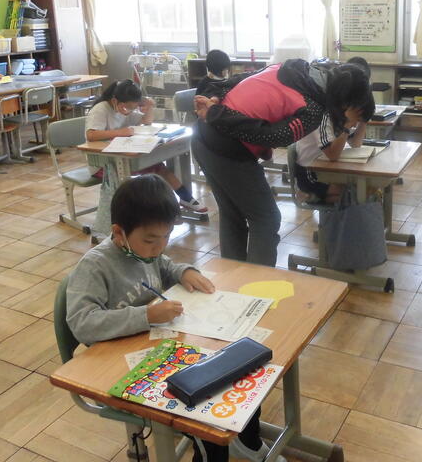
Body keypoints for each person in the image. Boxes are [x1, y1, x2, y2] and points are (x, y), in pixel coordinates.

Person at [65, 175, 279, 462]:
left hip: (158, 349)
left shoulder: (144, 251)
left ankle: (248, 441)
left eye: (166, 237)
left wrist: (183, 272)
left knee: (236, 371)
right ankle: (214, 447)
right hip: (120, 367)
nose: (159, 247)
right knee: (205, 415)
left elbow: (164, 265)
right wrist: (146, 315)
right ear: (118, 232)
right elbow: (82, 324)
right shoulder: (95, 266)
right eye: (151, 239)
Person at [192, 50, 374, 266]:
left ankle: (234, 280)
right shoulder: (313, 109)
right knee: (267, 219)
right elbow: (269, 135)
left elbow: (238, 80)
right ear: (346, 102)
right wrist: (217, 112)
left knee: (233, 215)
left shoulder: (294, 66)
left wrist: (215, 100)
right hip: (226, 146)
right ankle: (257, 283)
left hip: (204, 137)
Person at [85, 79, 207, 213]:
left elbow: (146, 121)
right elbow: (91, 135)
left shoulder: (125, 106)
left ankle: (185, 198)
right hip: (103, 163)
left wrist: (149, 106)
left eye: (133, 108)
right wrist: (120, 132)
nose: (128, 112)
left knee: (158, 166)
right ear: (114, 100)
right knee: (152, 172)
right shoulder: (101, 109)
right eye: (127, 108)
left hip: (124, 156)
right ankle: (147, 210)